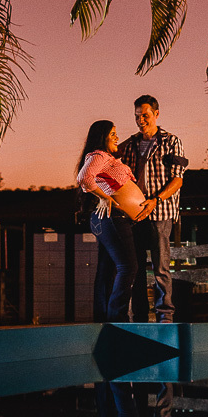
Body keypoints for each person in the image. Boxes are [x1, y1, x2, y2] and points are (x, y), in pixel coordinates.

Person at [119, 95, 188, 324]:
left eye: (145, 116)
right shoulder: (130, 144)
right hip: (135, 213)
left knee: (161, 267)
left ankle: (165, 316)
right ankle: (140, 317)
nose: (141, 121)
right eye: (137, 116)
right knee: (136, 269)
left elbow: (177, 180)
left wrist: (155, 200)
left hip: (160, 212)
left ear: (156, 114)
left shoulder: (171, 141)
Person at [76, 119, 139, 321]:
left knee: (107, 269)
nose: (117, 137)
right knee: (128, 267)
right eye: (112, 134)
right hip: (112, 218)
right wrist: (105, 197)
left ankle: (104, 317)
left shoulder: (106, 158)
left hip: (109, 219)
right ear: (102, 137)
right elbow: (85, 177)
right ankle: (117, 317)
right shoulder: (99, 155)